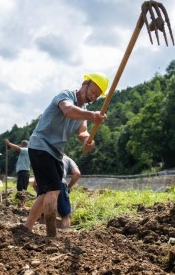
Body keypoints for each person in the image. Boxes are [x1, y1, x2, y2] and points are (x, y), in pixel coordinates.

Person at [25, 72, 108, 237]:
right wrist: (92, 116)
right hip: (41, 145)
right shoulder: (66, 95)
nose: (93, 97)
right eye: (93, 91)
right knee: (54, 190)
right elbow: (68, 110)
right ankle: (51, 235)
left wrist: (86, 140)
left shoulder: (83, 112)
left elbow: (82, 132)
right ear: (85, 83)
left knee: (45, 193)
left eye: (97, 96)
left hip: (56, 153)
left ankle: (25, 228)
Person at [35, 154, 81, 229]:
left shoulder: (46, 155)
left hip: (43, 183)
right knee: (65, 216)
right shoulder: (68, 159)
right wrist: (68, 187)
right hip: (60, 183)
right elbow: (77, 174)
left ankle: (41, 235)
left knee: (42, 214)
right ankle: (65, 235)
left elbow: (35, 183)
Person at [4, 139, 31, 207]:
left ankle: (20, 203)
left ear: (23, 145)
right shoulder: (28, 151)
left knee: (20, 188)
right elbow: (16, 149)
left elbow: (17, 148)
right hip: (26, 171)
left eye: (21, 145)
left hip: (23, 171)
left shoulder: (25, 150)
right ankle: (22, 203)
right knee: (24, 188)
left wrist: (9, 143)